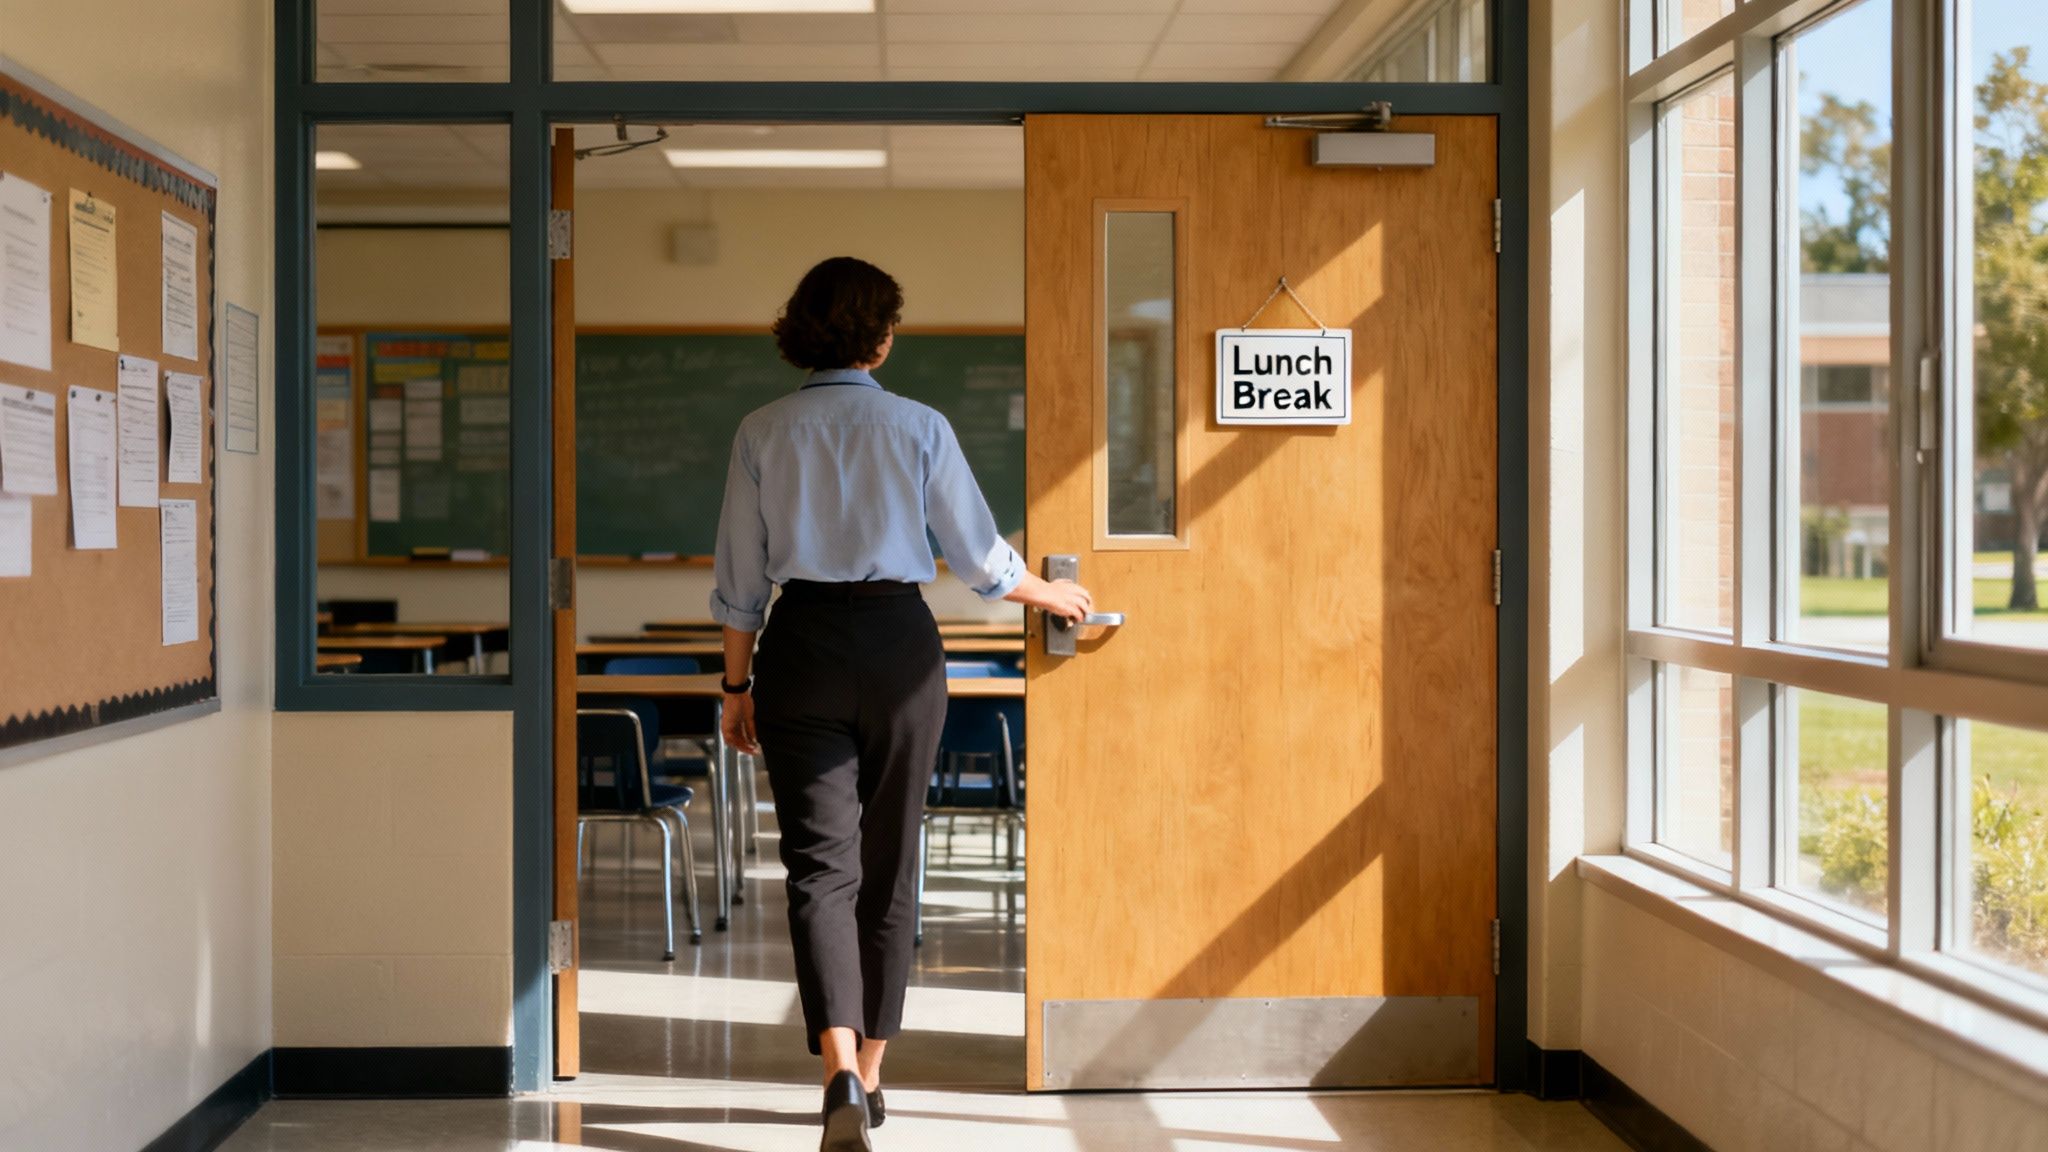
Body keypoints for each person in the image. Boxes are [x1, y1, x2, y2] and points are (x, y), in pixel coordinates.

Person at [710, 256, 1091, 1151]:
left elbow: (738, 582)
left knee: (817, 869)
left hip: (796, 647)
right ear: (881, 337)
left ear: (800, 330)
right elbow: (981, 561)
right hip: (898, 650)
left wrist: (736, 687)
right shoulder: (919, 425)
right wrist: (1054, 596)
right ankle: (872, 1077)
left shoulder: (761, 430)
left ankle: (837, 1064)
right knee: (891, 866)